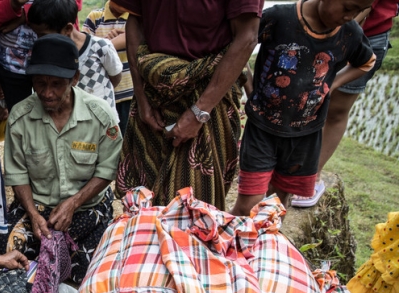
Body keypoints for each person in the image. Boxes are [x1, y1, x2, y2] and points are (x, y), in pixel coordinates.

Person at [0, 34, 122, 283]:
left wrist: (74, 202)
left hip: (86, 207)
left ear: (75, 79)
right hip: (37, 208)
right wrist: (33, 214)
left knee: (90, 271)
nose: (47, 93)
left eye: (57, 84)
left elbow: (106, 170)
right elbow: (18, 175)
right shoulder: (20, 117)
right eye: (40, 83)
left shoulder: (101, 116)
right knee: (8, 249)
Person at [230, 0, 376, 216]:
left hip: (305, 134)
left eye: (359, 11)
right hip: (262, 129)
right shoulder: (278, 18)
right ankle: (230, 245)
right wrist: (249, 84)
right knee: (248, 204)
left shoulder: (349, 33)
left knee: (277, 206)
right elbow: (239, 43)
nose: (350, 16)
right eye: (347, 8)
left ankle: (264, 247)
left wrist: (332, 84)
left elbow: (366, 62)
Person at [114, 0, 263, 210]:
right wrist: (141, 98)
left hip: (209, 99)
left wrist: (199, 111)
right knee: (143, 204)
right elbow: (136, 22)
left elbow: (247, 37)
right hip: (153, 99)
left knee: (197, 211)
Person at [295, 0, 398, 208]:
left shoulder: (352, 15)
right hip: (319, 28)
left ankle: (311, 176)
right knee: (301, 101)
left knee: (336, 110)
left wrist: (338, 31)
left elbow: (364, 5)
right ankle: (290, 166)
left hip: (369, 33)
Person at [27, 0, 123, 121]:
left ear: (67, 29)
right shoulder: (48, 56)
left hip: (103, 120)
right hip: (73, 122)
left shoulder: (101, 47)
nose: (39, 39)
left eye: (43, 35)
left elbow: (115, 77)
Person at [0, 0, 37, 112]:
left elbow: (70, 7)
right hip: (10, 67)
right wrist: (12, 4)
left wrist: (26, 14)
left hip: (51, 62)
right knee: (19, 119)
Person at [83, 0, 134, 130]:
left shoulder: (134, 19)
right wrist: (108, 42)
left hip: (128, 92)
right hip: (101, 93)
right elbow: (85, 50)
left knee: (125, 134)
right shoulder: (95, 18)